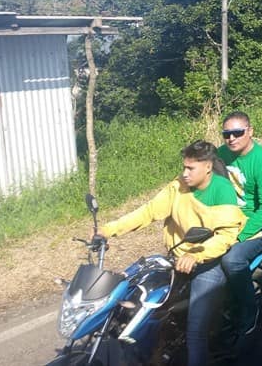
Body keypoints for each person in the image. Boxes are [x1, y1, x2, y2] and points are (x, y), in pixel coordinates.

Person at [99, 141, 245, 366]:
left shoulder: (222, 190)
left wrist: (197, 255)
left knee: (196, 332)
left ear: (207, 167)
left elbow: (225, 236)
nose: (184, 173)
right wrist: (109, 230)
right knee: (138, 303)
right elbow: (148, 211)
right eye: (184, 167)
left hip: (207, 263)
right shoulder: (178, 186)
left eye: (191, 168)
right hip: (177, 257)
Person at [217, 111, 262, 337]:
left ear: (250, 131)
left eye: (237, 132)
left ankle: (248, 310)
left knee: (232, 259)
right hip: (229, 217)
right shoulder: (221, 154)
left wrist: (240, 236)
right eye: (227, 134)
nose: (232, 138)